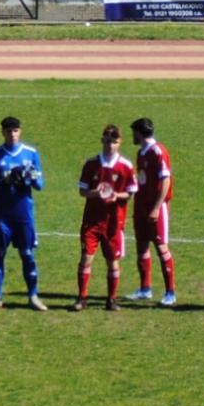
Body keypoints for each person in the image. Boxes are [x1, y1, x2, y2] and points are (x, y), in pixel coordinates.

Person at [0, 116, 46, 311]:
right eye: (9, 131)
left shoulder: (31, 154)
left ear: (21, 131)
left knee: (27, 254)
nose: (12, 134)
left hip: (23, 214)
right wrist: (6, 181)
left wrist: (30, 176)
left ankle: (33, 296)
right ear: (2, 132)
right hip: (1, 215)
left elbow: (40, 185)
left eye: (15, 130)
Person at [74, 123, 136, 311]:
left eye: (114, 141)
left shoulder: (125, 166)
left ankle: (111, 300)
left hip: (113, 223)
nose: (110, 145)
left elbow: (130, 192)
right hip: (91, 221)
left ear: (119, 143)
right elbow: (82, 191)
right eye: (108, 141)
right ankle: (81, 298)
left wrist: (116, 196)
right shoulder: (91, 164)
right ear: (102, 140)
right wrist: (96, 193)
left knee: (113, 262)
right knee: (86, 258)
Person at [129, 116, 177, 306]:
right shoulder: (142, 152)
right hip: (141, 205)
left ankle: (170, 292)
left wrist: (157, 207)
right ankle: (145, 289)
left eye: (134, 132)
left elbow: (166, 180)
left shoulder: (158, 151)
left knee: (161, 246)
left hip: (156, 207)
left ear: (139, 133)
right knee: (141, 244)